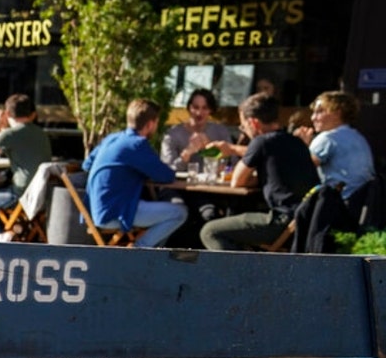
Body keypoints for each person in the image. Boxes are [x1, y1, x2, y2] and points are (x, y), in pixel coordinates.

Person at [200, 93, 319, 251]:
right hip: (304, 219)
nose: (244, 131)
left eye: (243, 126)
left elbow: (237, 182)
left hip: (281, 221)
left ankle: (237, 274)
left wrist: (234, 150)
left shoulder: (261, 142)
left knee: (210, 231)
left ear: (253, 122)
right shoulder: (296, 142)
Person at [83, 99, 187, 248]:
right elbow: (166, 176)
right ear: (150, 124)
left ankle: (147, 251)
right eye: (156, 123)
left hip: (95, 210)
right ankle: (140, 249)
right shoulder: (137, 144)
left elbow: (86, 164)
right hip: (116, 213)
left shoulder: (111, 139)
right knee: (179, 213)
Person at [0, 94, 53, 242]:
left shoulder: (10, 134)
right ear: (32, 114)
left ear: (7, 113)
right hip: (44, 194)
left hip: (21, 194)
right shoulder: (42, 134)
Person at [293, 91, 375, 201]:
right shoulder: (358, 137)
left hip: (339, 203)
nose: (313, 118)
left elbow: (301, 171)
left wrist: (301, 146)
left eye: (320, 112)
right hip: (362, 202)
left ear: (337, 113)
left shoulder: (327, 138)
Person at [160, 89, 232, 171]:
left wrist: (210, 148)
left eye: (204, 108)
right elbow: (165, 170)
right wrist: (186, 154)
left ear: (210, 110)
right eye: (195, 107)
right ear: (189, 108)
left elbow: (231, 164)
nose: (199, 113)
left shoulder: (220, 132)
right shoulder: (173, 134)